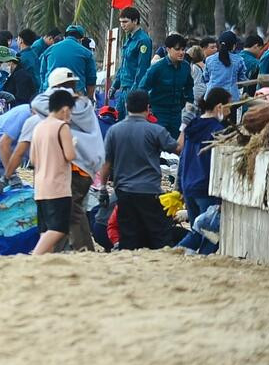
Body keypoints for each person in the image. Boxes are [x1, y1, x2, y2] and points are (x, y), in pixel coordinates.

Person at [99, 88, 178, 250]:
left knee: (129, 236)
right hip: (149, 191)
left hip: (124, 192)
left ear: (126, 106)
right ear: (148, 108)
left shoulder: (114, 130)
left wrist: (102, 188)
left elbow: (106, 163)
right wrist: (185, 125)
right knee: (159, 236)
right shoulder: (156, 130)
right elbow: (178, 148)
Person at [27, 89, 79, 255]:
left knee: (46, 230)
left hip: (40, 187)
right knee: (58, 228)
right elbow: (70, 155)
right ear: (65, 109)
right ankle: (35, 257)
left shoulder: (38, 127)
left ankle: (43, 261)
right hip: (57, 186)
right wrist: (73, 144)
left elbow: (33, 159)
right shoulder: (62, 127)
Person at [178, 87, 231, 223]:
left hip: (188, 186)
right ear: (219, 107)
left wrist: (179, 185)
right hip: (206, 189)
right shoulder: (218, 131)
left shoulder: (191, 125)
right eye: (228, 107)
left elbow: (183, 158)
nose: (229, 112)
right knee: (206, 232)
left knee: (196, 229)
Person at [139, 35, 194, 138]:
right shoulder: (157, 67)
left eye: (183, 49)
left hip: (177, 112)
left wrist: (189, 102)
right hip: (158, 111)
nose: (181, 52)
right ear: (168, 49)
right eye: (177, 49)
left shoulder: (186, 67)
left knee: (175, 142)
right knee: (157, 140)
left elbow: (189, 86)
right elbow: (143, 87)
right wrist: (145, 107)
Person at [113, 7, 154, 108]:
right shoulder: (129, 39)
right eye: (121, 22)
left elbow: (142, 68)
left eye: (125, 22)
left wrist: (134, 92)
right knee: (118, 116)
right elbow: (123, 65)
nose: (122, 25)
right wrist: (115, 85)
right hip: (123, 88)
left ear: (135, 21)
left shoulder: (143, 40)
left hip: (134, 89)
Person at [39, 24, 97, 95]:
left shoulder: (49, 50)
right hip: (76, 95)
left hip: (50, 94)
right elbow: (91, 79)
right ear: (81, 39)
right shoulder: (87, 53)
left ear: (65, 36)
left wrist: (43, 92)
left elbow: (42, 74)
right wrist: (89, 98)